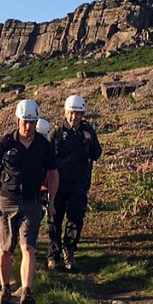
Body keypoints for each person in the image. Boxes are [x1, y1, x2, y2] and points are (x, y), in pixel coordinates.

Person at [0, 99, 59, 304]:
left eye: (32, 122)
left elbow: (53, 174)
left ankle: (27, 291)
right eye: (25, 121)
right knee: (5, 248)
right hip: (7, 201)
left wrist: (51, 202)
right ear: (17, 120)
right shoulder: (6, 142)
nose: (28, 126)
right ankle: (5, 288)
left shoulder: (44, 146)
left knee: (28, 247)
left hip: (32, 202)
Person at [47, 95, 102, 272]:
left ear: (82, 114)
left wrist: (89, 141)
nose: (74, 117)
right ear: (65, 112)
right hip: (58, 184)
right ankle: (53, 254)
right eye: (71, 113)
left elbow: (96, 154)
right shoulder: (56, 132)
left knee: (76, 218)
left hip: (79, 184)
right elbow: (47, 157)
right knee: (54, 219)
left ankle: (69, 251)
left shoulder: (88, 131)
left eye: (77, 113)